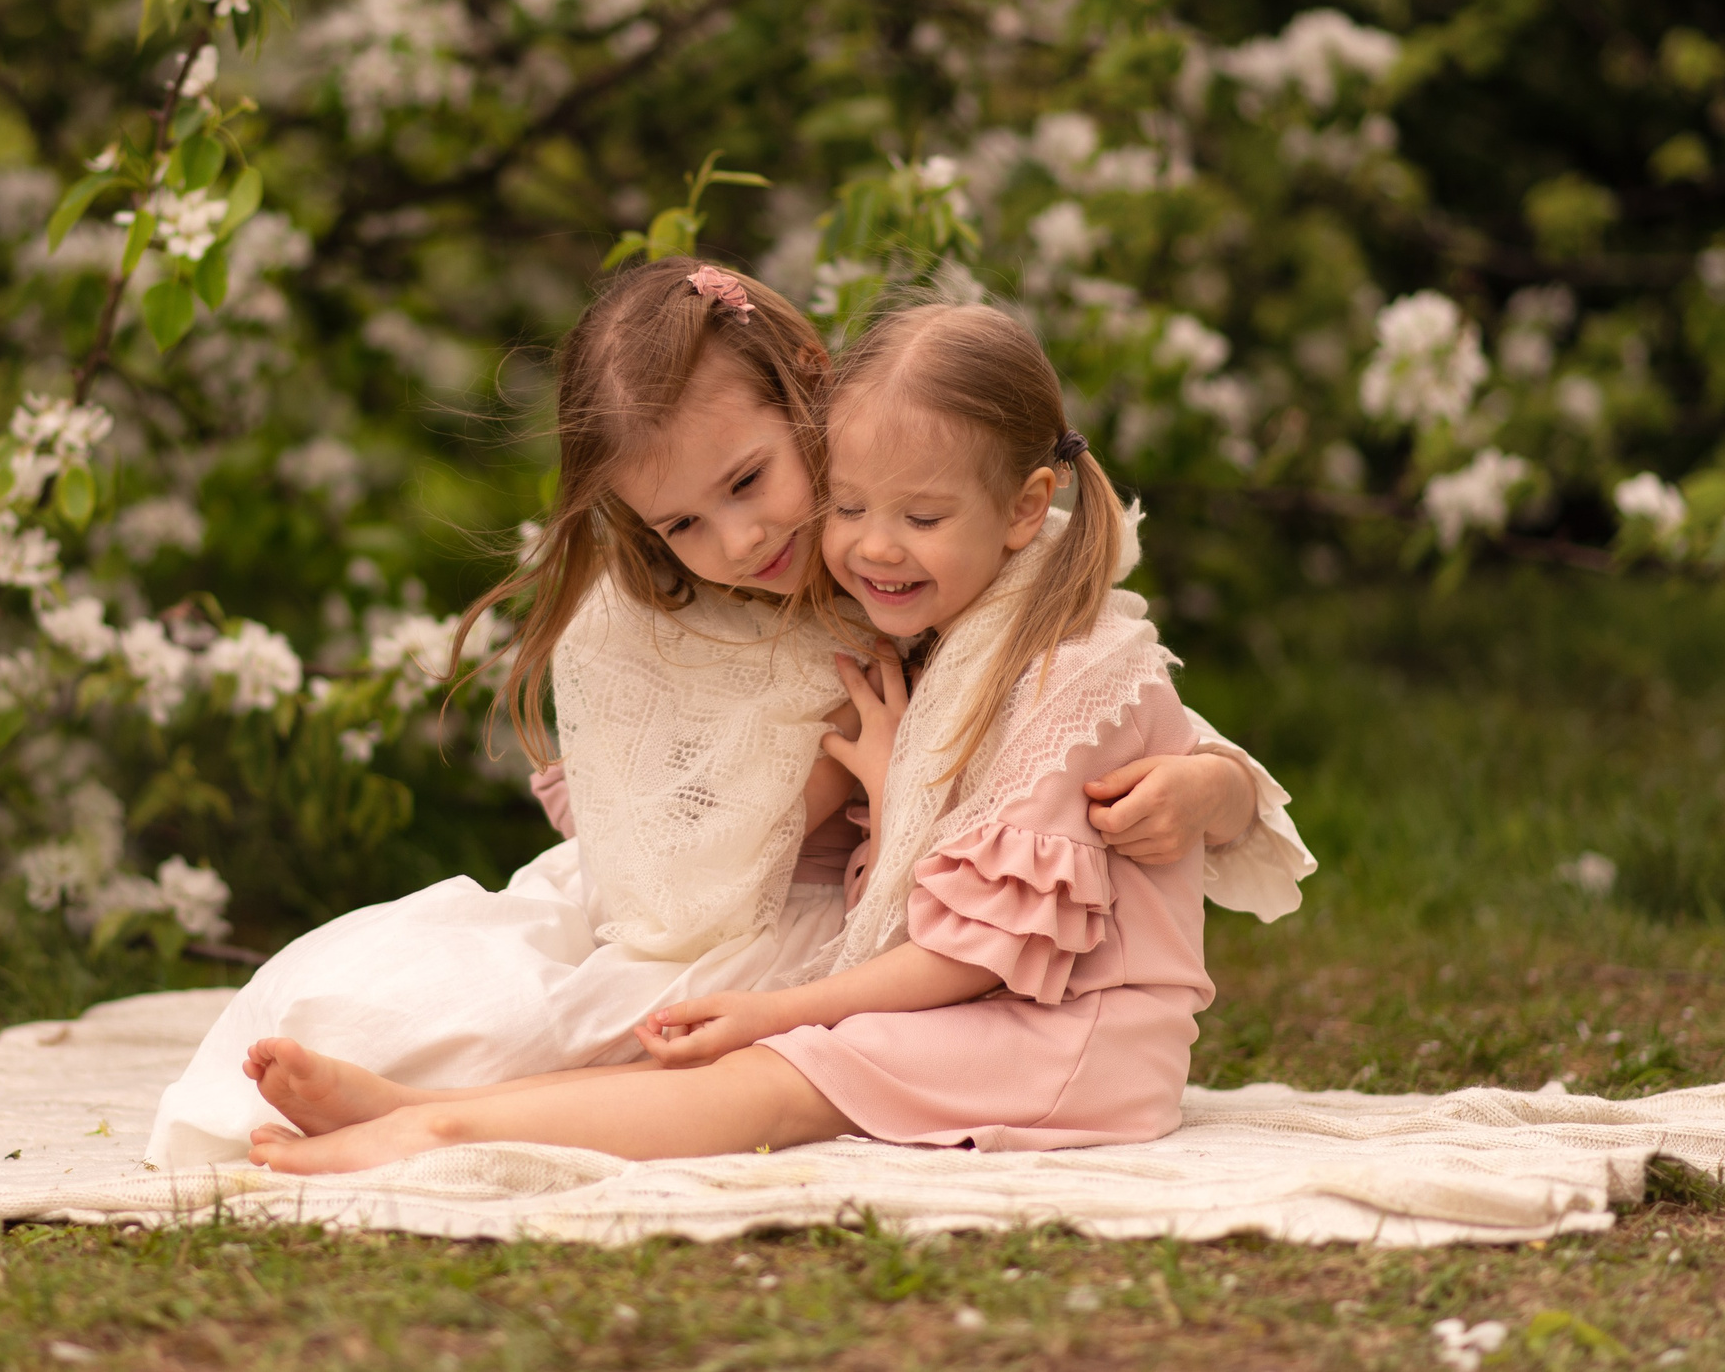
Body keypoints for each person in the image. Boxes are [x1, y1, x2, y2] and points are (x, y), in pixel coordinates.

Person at [143, 266, 1304, 1168]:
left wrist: (1217, 785)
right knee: (704, 1040)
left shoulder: (996, 605)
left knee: (764, 1069)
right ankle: (439, 1109)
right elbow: (719, 828)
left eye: (750, 483)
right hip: (912, 968)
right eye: (685, 524)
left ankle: (444, 1128)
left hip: (1035, 1016)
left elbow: (1091, 750)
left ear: (807, 386)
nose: (741, 541)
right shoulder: (906, 578)